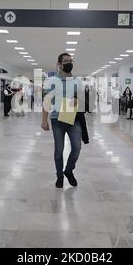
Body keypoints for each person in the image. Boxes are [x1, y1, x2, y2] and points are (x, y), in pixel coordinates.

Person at [41, 53, 88, 188]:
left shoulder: (77, 81)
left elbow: (83, 99)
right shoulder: (52, 81)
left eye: (70, 60)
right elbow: (47, 101)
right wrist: (44, 120)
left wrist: (77, 99)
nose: (69, 63)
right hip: (57, 119)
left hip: (73, 119)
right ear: (59, 64)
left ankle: (68, 170)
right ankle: (59, 176)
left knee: (77, 148)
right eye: (65, 61)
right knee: (59, 150)